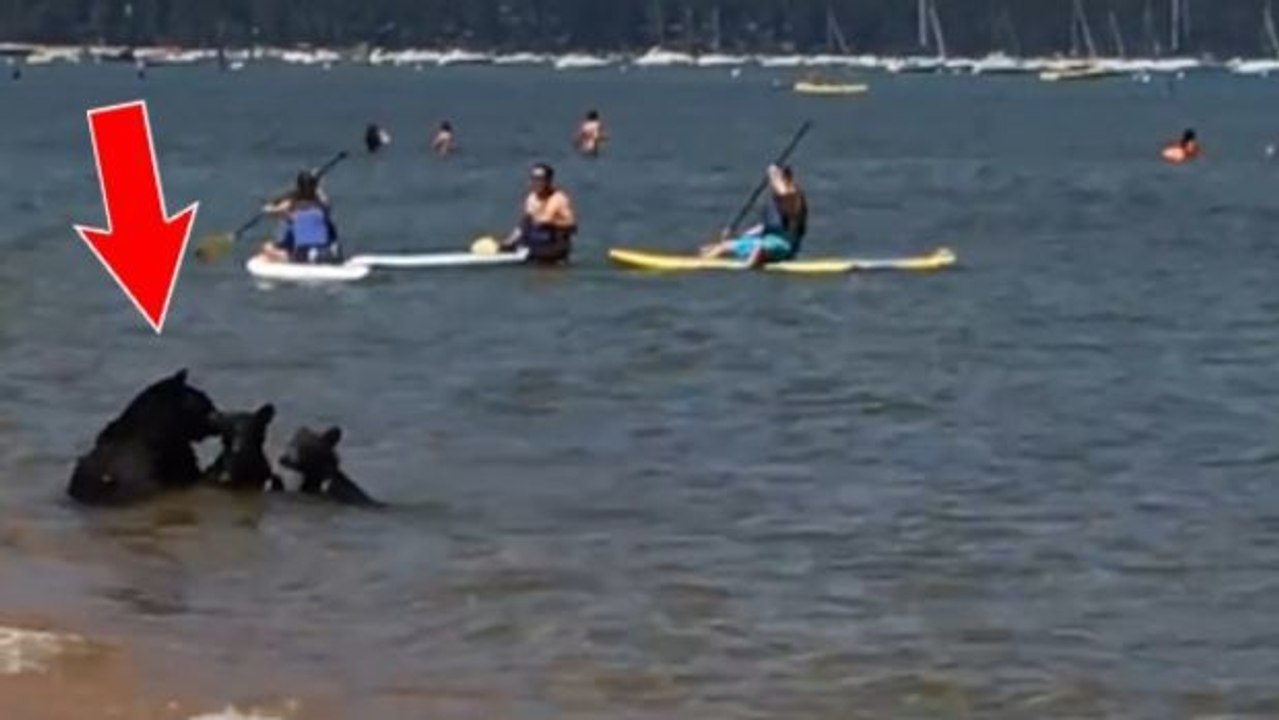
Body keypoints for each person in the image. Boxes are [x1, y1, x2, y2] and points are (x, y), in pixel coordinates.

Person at [701, 164, 808, 267]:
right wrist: (745, 235)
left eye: (780, 178)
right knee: (724, 246)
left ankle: (747, 265)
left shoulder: (794, 196)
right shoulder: (776, 198)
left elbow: (784, 194)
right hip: (768, 239)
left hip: (784, 245)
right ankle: (701, 262)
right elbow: (768, 225)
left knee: (759, 248)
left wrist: (772, 173)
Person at [258, 170, 342, 264]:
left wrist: (267, 208)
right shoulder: (323, 206)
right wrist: (316, 183)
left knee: (267, 247)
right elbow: (322, 197)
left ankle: (296, 258)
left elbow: (272, 211)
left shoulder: (293, 206)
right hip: (328, 252)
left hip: (304, 255)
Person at [500, 162, 576, 265]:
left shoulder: (559, 199)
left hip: (555, 245)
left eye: (540, 179)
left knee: (531, 253)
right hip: (536, 242)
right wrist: (509, 241)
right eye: (534, 179)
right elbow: (524, 224)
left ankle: (527, 252)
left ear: (548, 181)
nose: (536, 182)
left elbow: (572, 226)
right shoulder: (531, 198)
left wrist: (551, 224)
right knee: (510, 245)